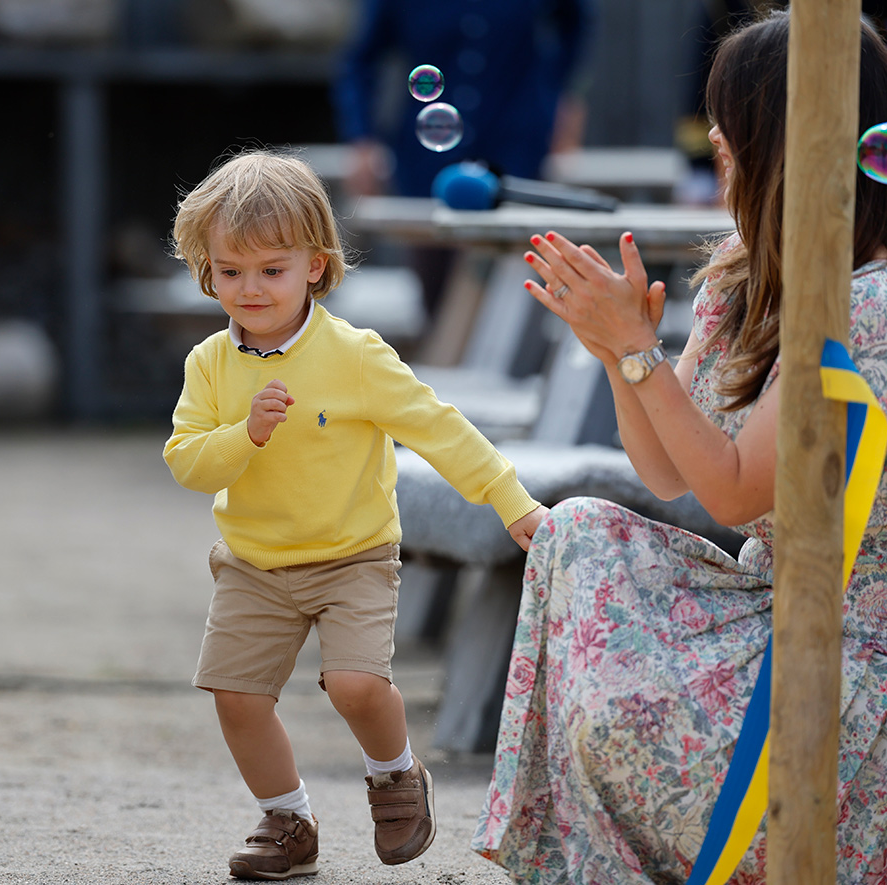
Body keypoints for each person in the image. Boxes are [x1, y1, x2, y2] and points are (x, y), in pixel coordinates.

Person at [472, 9, 887, 883]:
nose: (718, 166)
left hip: (843, 666)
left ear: (779, 150)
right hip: (770, 612)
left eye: (728, 145)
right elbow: (667, 471)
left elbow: (733, 493)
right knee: (575, 530)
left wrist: (636, 351)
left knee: (600, 639)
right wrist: (618, 354)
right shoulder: (748, 271)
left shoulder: (868, 304)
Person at [162, 148, 548, 880]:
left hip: (353, 556)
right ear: (205, 268)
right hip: (253, 562)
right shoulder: (209, 363)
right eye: (230, 271)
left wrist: (510, 499)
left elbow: (439, 428)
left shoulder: (355, 355)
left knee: (356, 686)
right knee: (237, 698)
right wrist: (245, 433)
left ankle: (395, 771)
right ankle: (287, 819)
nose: (250, 288)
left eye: (271, 269)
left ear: (315, 265)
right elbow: (188, 463)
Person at [330, 0, 596, 316]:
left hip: (516, 148)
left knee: (516, 298)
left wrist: (563, 97)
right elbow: (360, 60)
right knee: (438, 297)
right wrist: (361, 139)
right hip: (427, 164)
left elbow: (576, 22)